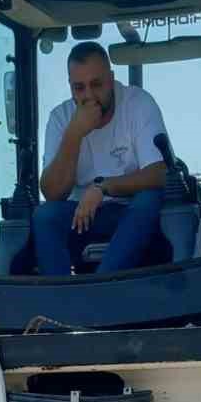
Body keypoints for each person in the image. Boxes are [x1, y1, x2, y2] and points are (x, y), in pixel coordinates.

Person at [32, 41, 169, 276]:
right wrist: (74, 134)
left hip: (131, 211)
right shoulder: (61, 117)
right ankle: (59, 300)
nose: (89, 96)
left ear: (111, 79)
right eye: (79, 88)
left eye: (96, 84)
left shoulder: (137, 103)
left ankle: (100, 287)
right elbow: (53, 193)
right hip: (81, 215)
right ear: (70, 87)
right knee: (44, 216)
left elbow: (159, 172)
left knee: (149, 199)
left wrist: (103, 187)